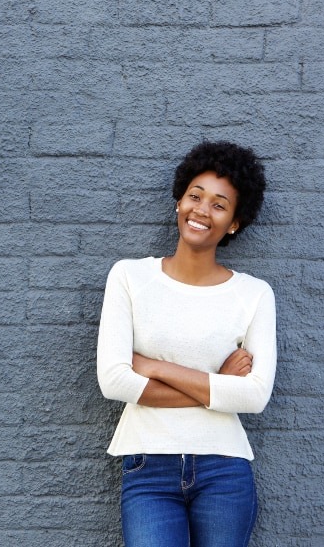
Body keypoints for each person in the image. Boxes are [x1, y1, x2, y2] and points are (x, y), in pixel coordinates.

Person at [96, 140, 276, 547]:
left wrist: (155, 367)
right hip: (148, 468)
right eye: (195, 196)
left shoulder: (255, 294)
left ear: (234, 222)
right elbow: (114, 382)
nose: (201, 210)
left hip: (224, 469)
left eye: (219, 204)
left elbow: (255, 395)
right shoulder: (129, 277)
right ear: (178, 201)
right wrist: (217, 385)